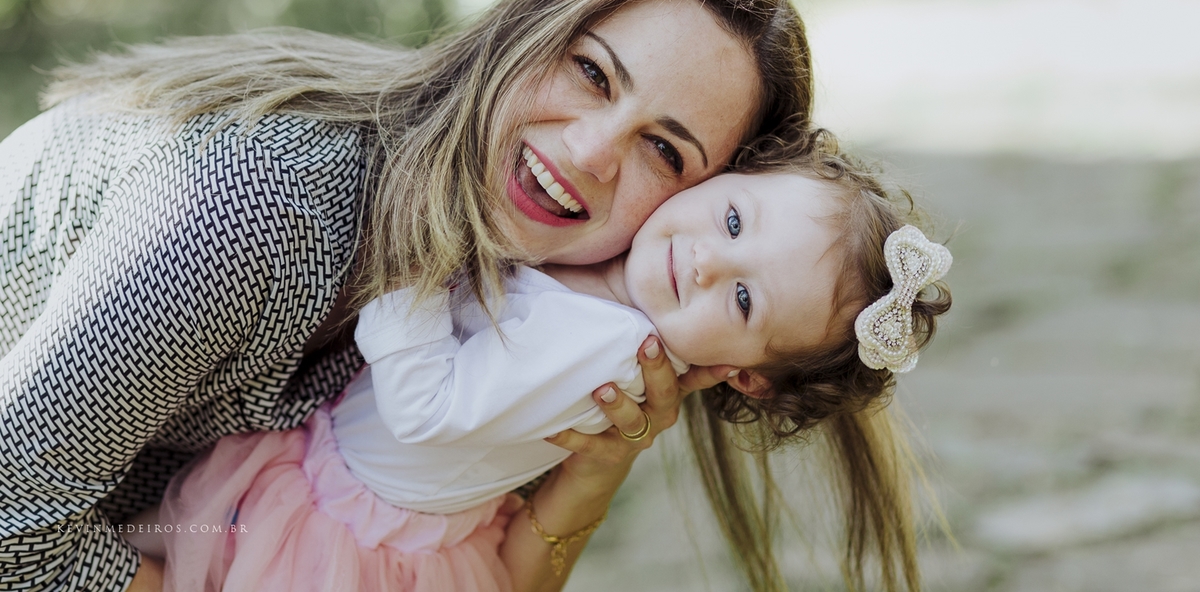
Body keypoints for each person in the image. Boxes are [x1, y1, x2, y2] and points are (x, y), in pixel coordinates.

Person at [0, 0, 813, 592]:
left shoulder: (558, 298)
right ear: (522, 32)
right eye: (591, 72)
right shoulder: (259, 205)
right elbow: (12, 525)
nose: (590, 151)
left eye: (665, 151)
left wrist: (594, 470)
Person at [137, 131, 952, 592]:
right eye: (734, 220)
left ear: (745, 375)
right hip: (340, 483)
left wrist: (416, 256)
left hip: (336, 534)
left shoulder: (604, 347)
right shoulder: (609, 290)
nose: (707, 263)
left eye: (744, 302)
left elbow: (428, 406)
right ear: (733, 173)